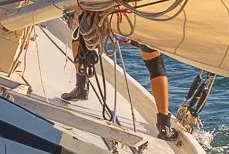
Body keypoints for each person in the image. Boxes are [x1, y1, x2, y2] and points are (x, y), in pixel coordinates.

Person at [61, 12, 179, 141]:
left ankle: (81, 87)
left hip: (111, 13)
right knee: (155, 63)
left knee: (82, 29)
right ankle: (164, 125)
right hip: (139, 16)